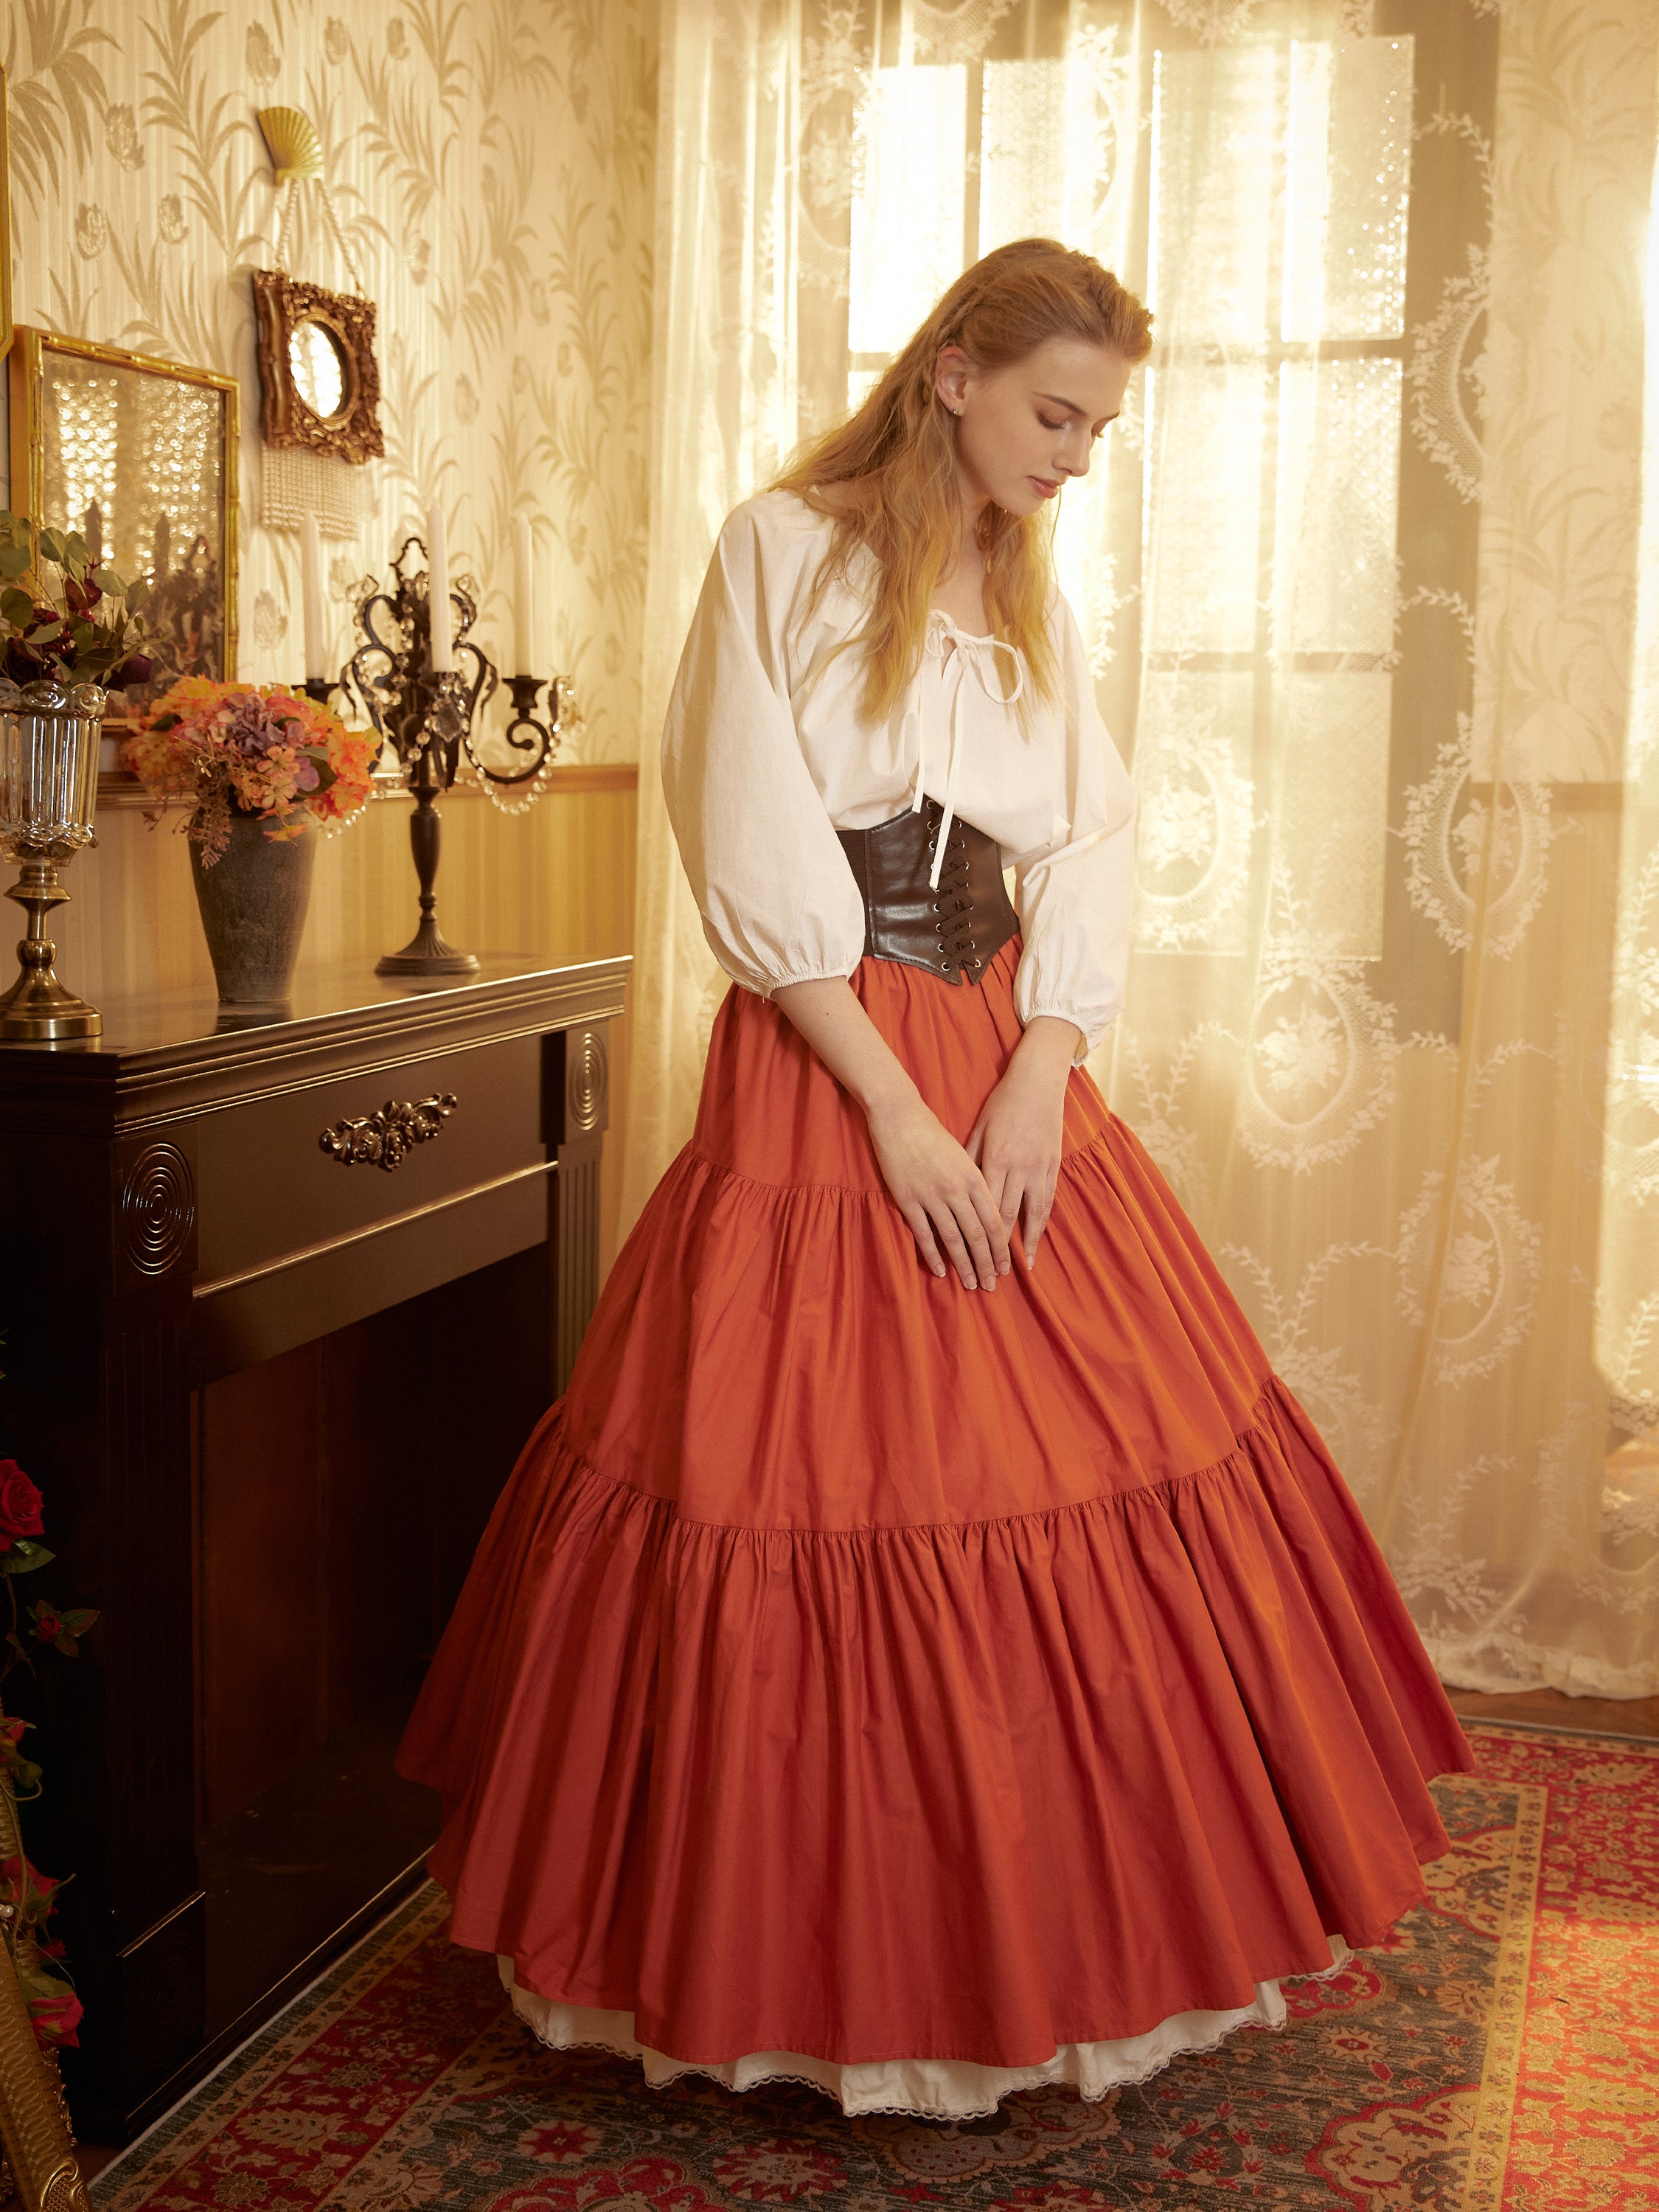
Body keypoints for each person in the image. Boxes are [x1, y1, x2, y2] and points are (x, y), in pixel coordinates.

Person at [397, 237, 1475, 2124]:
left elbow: (1099, 832)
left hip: (1003, 1054)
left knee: (1081, 1454)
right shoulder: (777, 548)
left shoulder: (1026, 588)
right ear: (955, 373)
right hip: (834, 1063)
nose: (1079, 456)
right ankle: (800, 1974)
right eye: (1059, 414)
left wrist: (1049, 1066)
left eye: (1103, 426)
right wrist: (895, 1111)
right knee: (799, 1469)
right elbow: (748, 838)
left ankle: (1063, 1953)